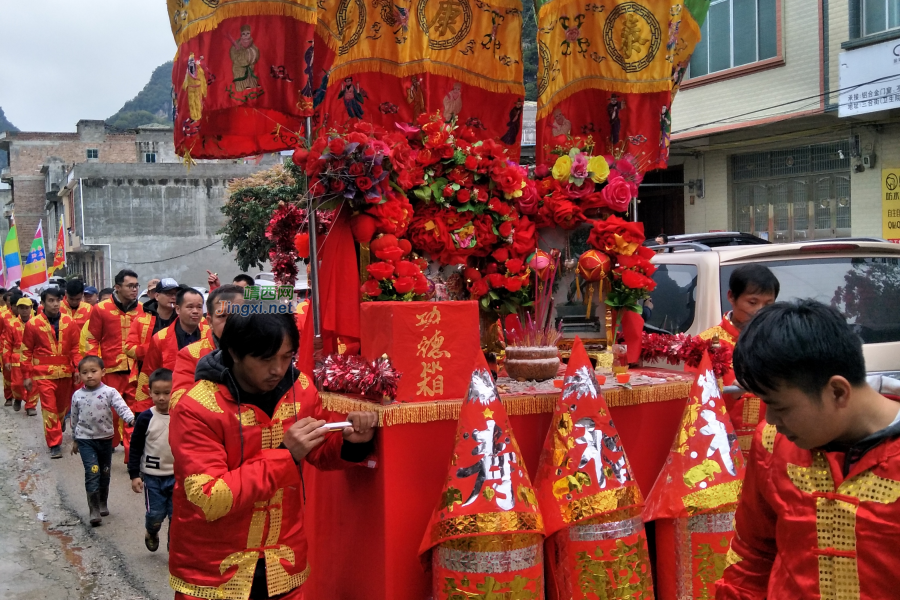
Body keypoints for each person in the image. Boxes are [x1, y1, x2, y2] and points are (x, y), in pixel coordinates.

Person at [168, 313, 377, 600]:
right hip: (214, 569)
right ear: (234, 353)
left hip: (283, 562)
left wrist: (352, 444)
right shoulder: (198, 407)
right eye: (266, 359)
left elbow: (318, 451)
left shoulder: (300, 388)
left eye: (287, 357)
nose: (278, 369)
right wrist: (285, 455)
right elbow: (208, 497)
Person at [716, 300, 900, 599]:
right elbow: (752, 554)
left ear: (838, 392)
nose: (771, 420)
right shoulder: (773, 443)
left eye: (780, 407)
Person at [698, 264, 779, 453]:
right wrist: (731, 394)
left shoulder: (782, 341)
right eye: (752, 302)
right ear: (731, 297)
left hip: (772, 447)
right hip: (723, 448)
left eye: (768, 304)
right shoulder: (704, 344)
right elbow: (694, 404)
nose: (760, 311)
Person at [83, 269, 144, 454]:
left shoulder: (141, 309)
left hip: (135, 370)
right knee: (110, 412)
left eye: (136, 286)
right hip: (109, 369)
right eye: (130, 286)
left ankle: (131, 455)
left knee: (133, 413)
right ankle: (109, 442)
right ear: (117, 287)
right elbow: (92, 338)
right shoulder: (101, 309)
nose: (134, 290)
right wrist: (93, 367)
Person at [70, 355, 135, 527]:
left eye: (93, 371)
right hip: (85, 441)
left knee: (105, 472)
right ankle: (93, 510)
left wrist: (131, 419)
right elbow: (74, 419)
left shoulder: (109, 392)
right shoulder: (77, 395)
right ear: (80, 375)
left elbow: (122, 407)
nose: (89, 375)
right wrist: (75, 439)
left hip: (105, 439)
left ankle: (102, 502)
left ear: (103, 372)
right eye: (85, 372)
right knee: (93, 471)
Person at [22, 287, 81, 458]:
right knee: (49, 408)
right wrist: (27, 376)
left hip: (65, 372)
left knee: (63, 407)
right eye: (51, 301)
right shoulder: (33, 324)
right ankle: (54, 443)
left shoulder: (70, 322)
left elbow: (76, 348)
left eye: (57, 300)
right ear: (42, 303)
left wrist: (77, 368)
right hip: (43, 374)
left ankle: (59, 423)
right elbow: (26, 351)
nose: (55, 304)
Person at [134, 287, 208, 414]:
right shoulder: (160, 338)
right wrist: (142, 412)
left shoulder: (210, 335)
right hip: (171, 405)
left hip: (205, 403)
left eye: (199, 307)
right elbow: (148, 374)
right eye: (190, 307)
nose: (195, 311)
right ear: (178, 309)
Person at [128, 368, 174, 552]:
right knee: (155, 514)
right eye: (157, 393)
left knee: (176, 515)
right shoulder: (146, 418)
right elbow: (135, 447)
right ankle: (151, 531)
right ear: (149, 393)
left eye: (166, 393)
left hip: (177, 475)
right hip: (152, 477)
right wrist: (134, 474)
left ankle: (175, 547)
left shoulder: (182, 415)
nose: (162, 398)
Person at [171, 285, 244, 395]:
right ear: (210, 322)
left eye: (238, 314)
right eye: (222, 315)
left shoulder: (265, 350)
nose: (231, 322)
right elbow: (179, 403)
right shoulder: (190, 355)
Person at [127, 278, 179, 375]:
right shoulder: (141, 320)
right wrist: (153, 349)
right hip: (149, 374)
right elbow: (129, 348)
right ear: (157, 296)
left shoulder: (182, 319)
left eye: (176, 294)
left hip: (177, 372)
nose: (173, 297)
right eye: (169, 294)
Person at [3, 295, 39, 415]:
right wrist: (6, 360)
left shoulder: (36, 323)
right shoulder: (12, 324)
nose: (24, 310)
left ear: (31, 308)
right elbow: (7, 343)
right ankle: (18, 397)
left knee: (33, 384)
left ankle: (30, 406)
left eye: (27, 307)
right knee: (18, 384)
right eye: (21, 308)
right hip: (17, 358)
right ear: (17, 309)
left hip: (33, 358)